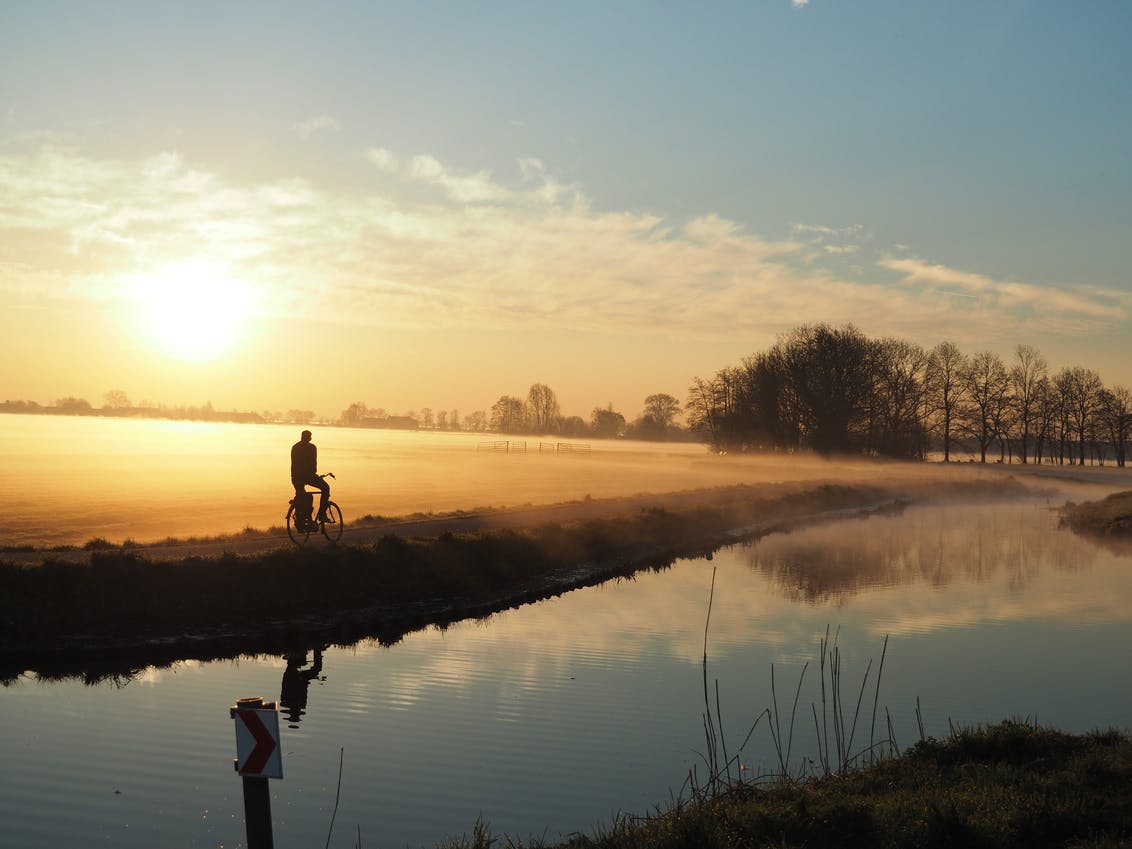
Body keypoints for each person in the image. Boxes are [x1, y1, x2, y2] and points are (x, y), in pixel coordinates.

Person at [291, 429, 330, 526]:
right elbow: (313, 464)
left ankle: (303, 517)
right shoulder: (312, 447)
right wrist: (315, 475)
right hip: (309, 476)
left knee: (301, 496)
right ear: (309, 438)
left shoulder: (295, 447)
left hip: (296, 477)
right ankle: (322, 514)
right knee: (325, 488)